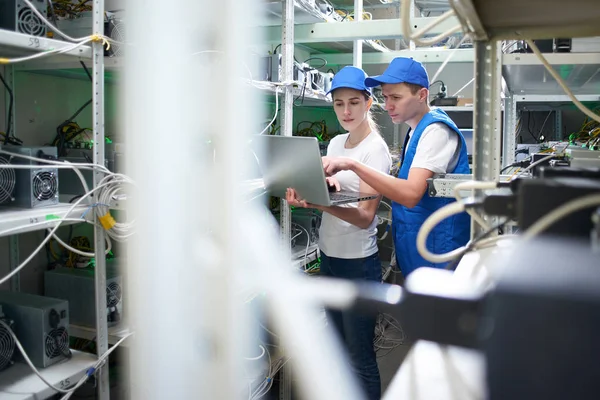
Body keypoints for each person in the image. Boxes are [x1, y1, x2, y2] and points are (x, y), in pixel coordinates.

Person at [286, 66, 391, 400]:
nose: (346, 111)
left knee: (360, 357)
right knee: (334, 351)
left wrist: (320, 205)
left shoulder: (375, 151)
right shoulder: (334, 143)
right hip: (329, 257)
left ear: (368, 102)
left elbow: (364, 217)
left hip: (358, 265)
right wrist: (310, 189)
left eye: (354, 103)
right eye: (339, 104)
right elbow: (334, 188)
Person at [322, 57, 470, 278]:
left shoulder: (436, 131)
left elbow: (410, 194)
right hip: (420, 246)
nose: (388, 105)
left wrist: (352, 164)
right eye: (386, 97)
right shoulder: (415, 131)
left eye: (396, 98)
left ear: (422, 95)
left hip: (439, 249)